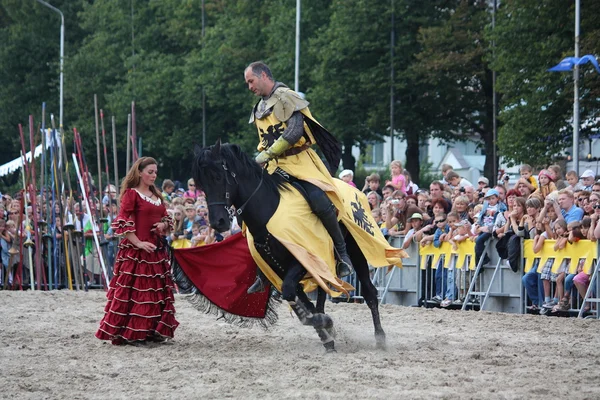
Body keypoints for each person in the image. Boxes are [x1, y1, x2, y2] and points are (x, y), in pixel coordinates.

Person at [244, 61, 354, 293]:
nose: (249, 87)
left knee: (317, 198)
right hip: (273, 166)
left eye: (251, 81)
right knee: (250, 206)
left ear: (264, 75)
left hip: (299, 162)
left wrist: (268, 154)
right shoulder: (260, 107)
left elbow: (294, 132)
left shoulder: (286, 97)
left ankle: (342, 253)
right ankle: (264, 269)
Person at [96, 157, 179, 346]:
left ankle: (152, 331)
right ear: (139, 172)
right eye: (150, 172)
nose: (153, 175)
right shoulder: (131, 194)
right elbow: (123, 223)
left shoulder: (157, 196)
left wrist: (162, 224)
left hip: (156, 253)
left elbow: (167, 219)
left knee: (156, 294)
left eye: (155, 172)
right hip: (136, 253)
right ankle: (132, 333)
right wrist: (139, 243)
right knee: (137, 293)